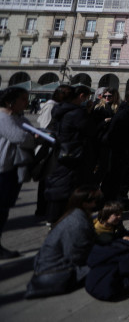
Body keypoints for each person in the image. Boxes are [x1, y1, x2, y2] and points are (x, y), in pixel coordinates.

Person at [25, 186, 102, 299]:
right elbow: (76, 256)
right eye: (94, 200)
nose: (96, 203)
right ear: (85, 203)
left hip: (51, 270)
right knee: (108, 265)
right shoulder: (77, 222)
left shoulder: (76, 215)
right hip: (56, 274)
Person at [44, 85, 94, 224]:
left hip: (61, 152)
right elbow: (89, 130)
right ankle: (62, 220)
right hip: (75, 154)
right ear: (79, 96)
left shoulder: (59, 110)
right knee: (69, 187)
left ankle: (52, 218)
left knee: (59, 185)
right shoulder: (77, 113)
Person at [0, 86, 37, 258]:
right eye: (23, 99)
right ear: (10, 101)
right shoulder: (2, 117)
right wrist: (33, 138)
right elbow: (20, 137)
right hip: (2, 169)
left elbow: (30, 129)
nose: (26, 102)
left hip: (10, 168)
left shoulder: (15, 117)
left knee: (4, 207)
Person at [102, 89, 129, 211]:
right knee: (118, 178)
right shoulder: (124, 113)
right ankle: (113, 203)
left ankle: (123, 200)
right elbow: (112, 134)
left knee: (127, 178)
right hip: (122, 152)